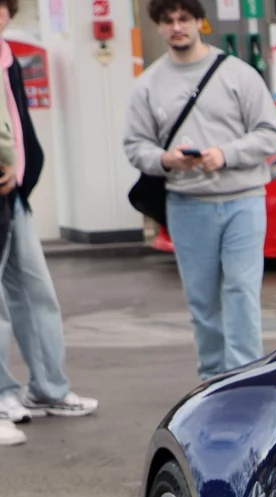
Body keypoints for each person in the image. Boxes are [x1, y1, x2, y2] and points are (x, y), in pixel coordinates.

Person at [122, 0, 276, 379]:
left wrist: (223, 154)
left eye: (184, 19)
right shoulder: (147, 85)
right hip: (187, 204)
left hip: (244, 200)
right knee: (203, 303)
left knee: (242, 293)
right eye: (168, 20)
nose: (177, 27)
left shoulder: (238, 75)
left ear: (199, 23)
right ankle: (211, 382)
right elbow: (135, 146)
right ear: (159, 26)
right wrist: (166, 160)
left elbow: (270, 135)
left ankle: (243, 381)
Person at [0, 0, 97, 434]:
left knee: (37, 292)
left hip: (14, 195)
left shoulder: (7, 57)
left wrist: (22, 175)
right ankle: (3, 395)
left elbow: (19, 127)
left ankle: (49, 388)